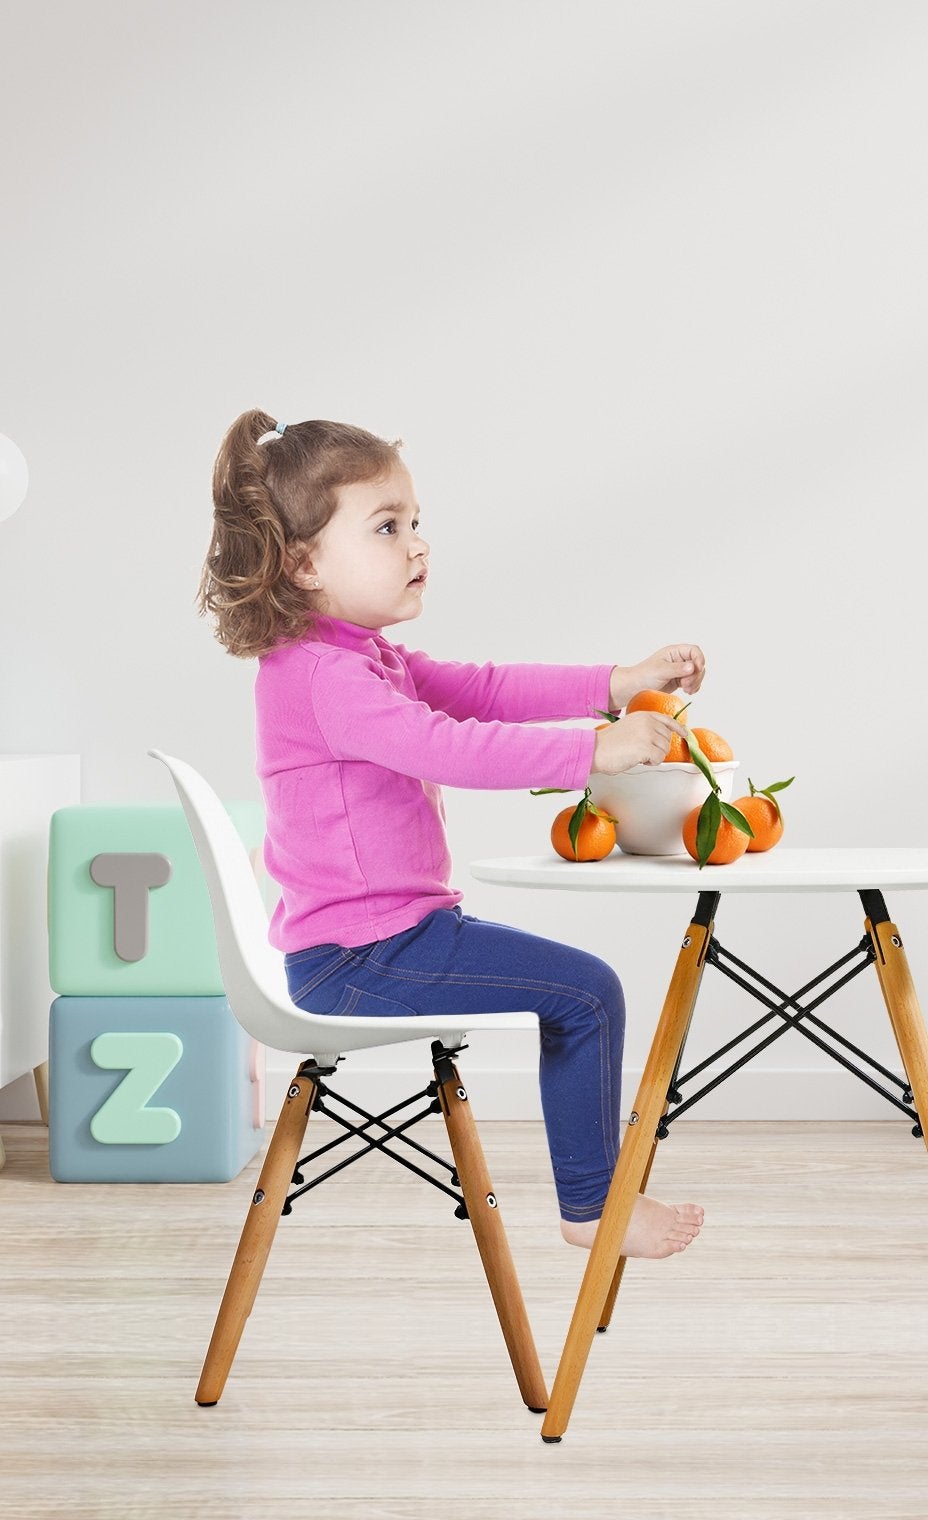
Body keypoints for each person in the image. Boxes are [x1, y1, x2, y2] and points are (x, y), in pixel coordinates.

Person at [197, 410, 704, 1259]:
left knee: (585, 992)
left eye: (416, 523)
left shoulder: (359, 656)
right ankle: (592, 1207)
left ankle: (596, 1199)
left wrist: (617, 683)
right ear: (303, 562)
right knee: (586, 995)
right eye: (387, 527)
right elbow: (446, 744)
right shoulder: (323, 677)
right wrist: (591, 751)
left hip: (395, 939)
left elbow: (483, 688)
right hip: (360, 957)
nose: (417, 545)